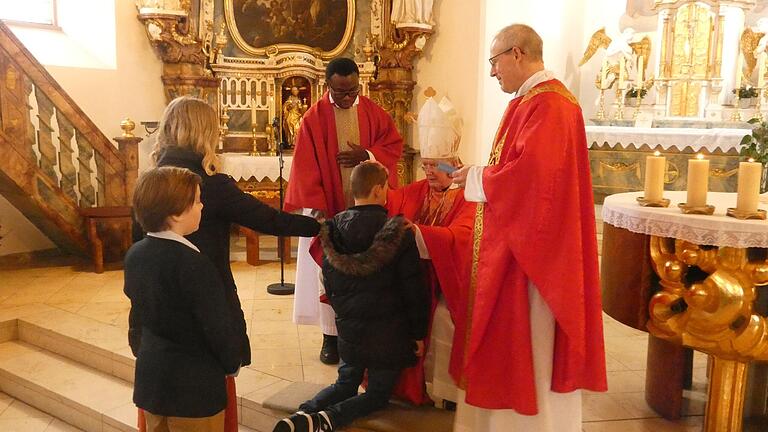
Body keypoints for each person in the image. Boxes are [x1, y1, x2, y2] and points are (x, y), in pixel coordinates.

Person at [450, 24, 607, 431]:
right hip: (520, 247)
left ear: (516, 54)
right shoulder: (532, 101)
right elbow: (517, 170)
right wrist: (477, 174)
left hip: (534, 260)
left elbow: (532, 179)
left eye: (494, 61)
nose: (491, 72)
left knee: (530, 346)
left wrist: (479, 179)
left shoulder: (551, 105)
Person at [137, 96, 321, 431]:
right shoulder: (209, 186)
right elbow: (270, 220)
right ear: (202, 133)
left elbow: (139, 261)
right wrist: (320, 226)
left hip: (156, 343)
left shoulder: (151, 180)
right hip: (205, 329)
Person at [273, 161, 429, 432]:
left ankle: (304, 414)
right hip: (389, 337)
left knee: (344, 384)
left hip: (350, 332)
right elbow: (413, 289)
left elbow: (329, 284)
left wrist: (346, 315)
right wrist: (417, 333)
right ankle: (326, 419)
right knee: (376, 395)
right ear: (380, 190)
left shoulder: (332, 230)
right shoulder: (397, 233)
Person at [285, 57, 404, 365]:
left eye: (353, 90)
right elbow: (305, 167)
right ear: (328, 87)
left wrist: (367, 154)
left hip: (367, 214)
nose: (348, 97)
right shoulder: (313, 119)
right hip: (330, 211)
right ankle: (330, 338)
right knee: (329, 275)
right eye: (341, 92)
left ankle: (362, 334)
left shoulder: (373, 113)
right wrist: (320, 210)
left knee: (365, 276)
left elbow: (393, 145)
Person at [125, 167, 242, 432]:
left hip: (152, 383)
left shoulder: (135, 254)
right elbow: (216, 326)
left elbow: (138, 316)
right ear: (177, 212)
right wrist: (231, 362)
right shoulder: (195, 264)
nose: (202, 207)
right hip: (194, 392)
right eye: (198, 201)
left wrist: (141, 350)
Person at [385, 95, 475, 406]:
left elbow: (462, 237)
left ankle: (444, 391)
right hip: (416, 279)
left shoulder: (468, 195)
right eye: (425, 165)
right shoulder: (421, 189)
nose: (429, 173)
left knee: (441, 317)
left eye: (436, 166)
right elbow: (393, 202)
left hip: (448, 286)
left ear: (453, 163)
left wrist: (420, 233)